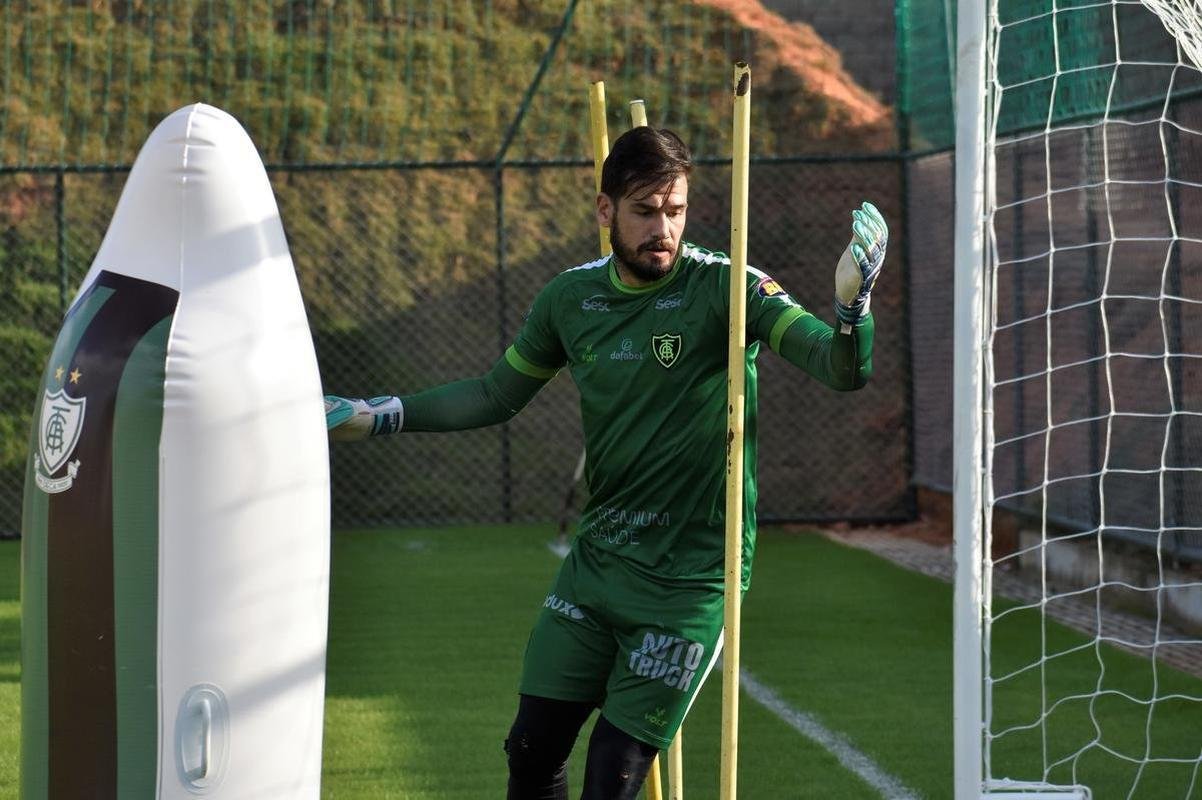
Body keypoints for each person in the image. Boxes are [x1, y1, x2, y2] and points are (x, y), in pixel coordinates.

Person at [324, 126, 887, 800]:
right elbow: (493, 394)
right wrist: (376, 414)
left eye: (674, 211)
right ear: (605, 211)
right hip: (597, 567)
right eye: (645, 211)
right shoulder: (570, 300)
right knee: (530, 754)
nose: (663, 229)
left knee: (611, 779)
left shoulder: (729, 287)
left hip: (689, 581)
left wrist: (853, 307)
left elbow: (839, 368)